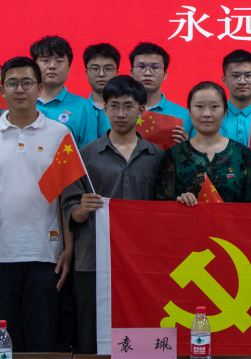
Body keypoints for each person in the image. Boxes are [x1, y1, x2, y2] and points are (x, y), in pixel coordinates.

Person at [0, 56, 71, 353]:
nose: (19, 89)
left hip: (45, 254)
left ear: (39, 88)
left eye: (27, 83)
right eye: (12, 83)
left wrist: (69, 248)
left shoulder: (59, 133)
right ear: (2, 90)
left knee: (42, 342)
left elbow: (66, 196)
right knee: (3, 344)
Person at [62, 76, 164, 353]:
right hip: (93, 260)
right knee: (91, 338)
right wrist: (81, 209)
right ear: (104, 108)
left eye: (128, 106)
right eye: (114, 106)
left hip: (141, 262)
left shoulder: (157, 157)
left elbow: (163, 211)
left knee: (141, 334)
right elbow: (69, 208)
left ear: (141, 110)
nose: (120, 113)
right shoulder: (84, 155)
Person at [155, 82, 251, 204]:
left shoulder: (242, 154)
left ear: (225, 111)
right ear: (189, 111)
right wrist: (179, 202)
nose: (206, 114)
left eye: (214, 107)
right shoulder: (173, 155)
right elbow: (163, 206)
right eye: (199, 106)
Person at [32, 35, 96, 140]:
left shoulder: (83, 108)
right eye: (45, 60)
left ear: (69, 68)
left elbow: (90, 149)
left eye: (59, 61)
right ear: (34, 67)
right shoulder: (22, 102)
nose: (52, 66)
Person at [129, 42, 192, 138]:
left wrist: (185, 145)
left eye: (155, 67)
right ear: (131, 72)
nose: (147, 73)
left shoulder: (184, 115)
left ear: (165, 74)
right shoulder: (117, 111)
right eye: (141, 67)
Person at [81, 43, 121, 141]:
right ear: (87, 73)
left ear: (117, 73)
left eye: (108, 69)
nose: (101, 74)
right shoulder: (79, 110)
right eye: (95, 68)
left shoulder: (126, 111)